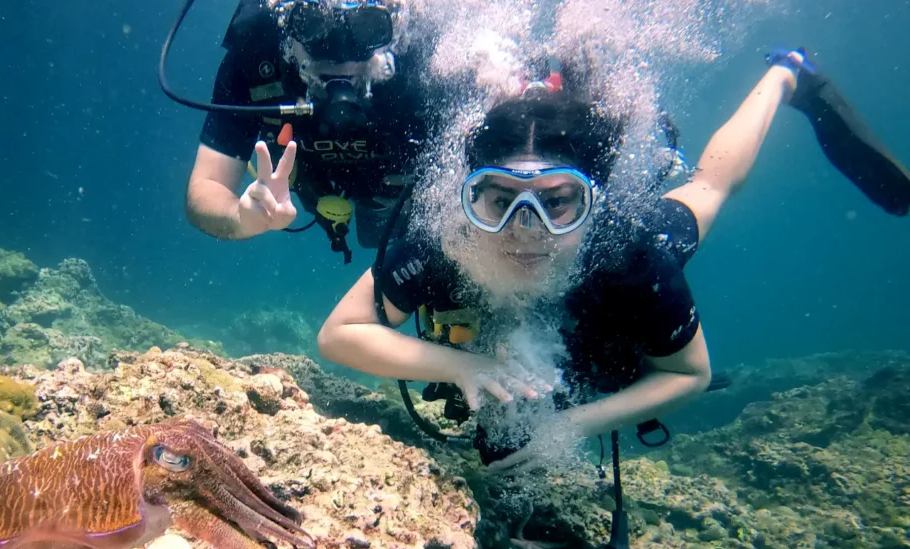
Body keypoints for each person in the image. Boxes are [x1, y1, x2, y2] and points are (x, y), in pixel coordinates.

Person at [317, 49, 910, 467]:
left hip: (619, 262)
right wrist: (462, 367)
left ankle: (785, 77)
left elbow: (689, 375)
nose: (527, 231)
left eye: (559, 204)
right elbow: (339, 334)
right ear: (468, 197)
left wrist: (574, 424)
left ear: (594, 203)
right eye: (499, 200)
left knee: (708, 187)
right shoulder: (447, 242)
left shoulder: (629, 252)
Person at [184, 0, 437, 265]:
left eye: (368, 28)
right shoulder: (259, 52)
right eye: (315, 25)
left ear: (394, 20)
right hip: (307, 184)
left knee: (382, 235)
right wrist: (242, 218)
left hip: (395, 191)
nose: (341, 53)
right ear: (288, 9)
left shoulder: (428, 63)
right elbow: (205, 188)